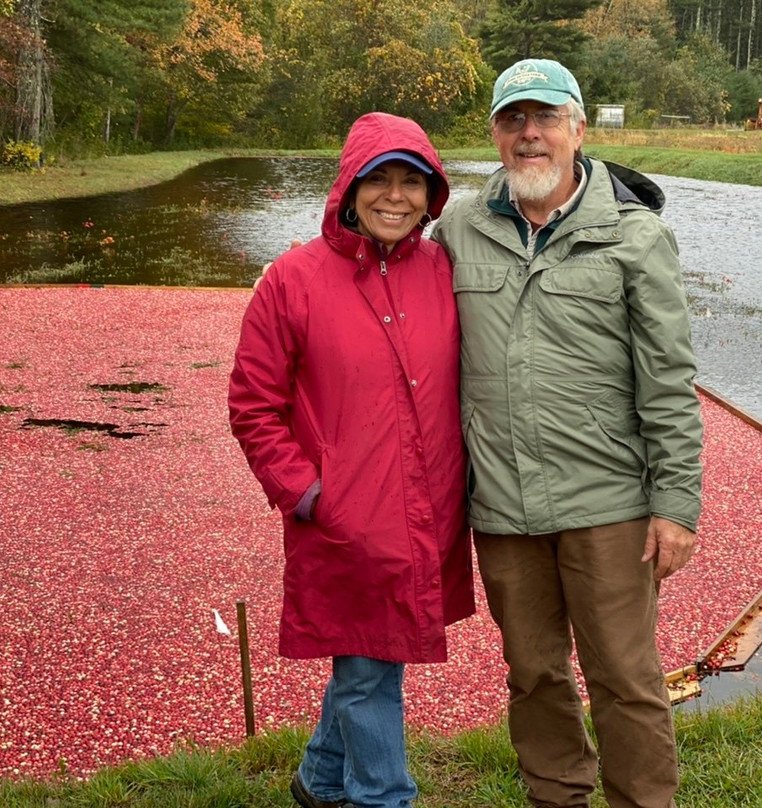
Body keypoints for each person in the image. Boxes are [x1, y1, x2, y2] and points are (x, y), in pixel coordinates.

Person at [431, 59, 704, 808]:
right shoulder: (458, 227)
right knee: (534, 674)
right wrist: (294, 282)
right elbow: (384, 281)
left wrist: (675, 504)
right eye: (514, 119)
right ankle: (556, 797)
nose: (530, 134)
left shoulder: (635, 236)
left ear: (578, 128)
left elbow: (669, 382)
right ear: (494, 132)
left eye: (545, 117)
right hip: (502, 510)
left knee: (624, 675)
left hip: (608, 506)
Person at [228, 112, 474, 808]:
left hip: (429, 510)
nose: (394, 196)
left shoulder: (443, 270)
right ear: (348, 189)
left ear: (433, 195)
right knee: (370, 668)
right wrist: (308, 493)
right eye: (378, 180)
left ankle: (321, 775)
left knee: (372, 654)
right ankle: (382, 796)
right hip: (345, 519)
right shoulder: (293, 280)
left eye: (411, 182)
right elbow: (253, 404)